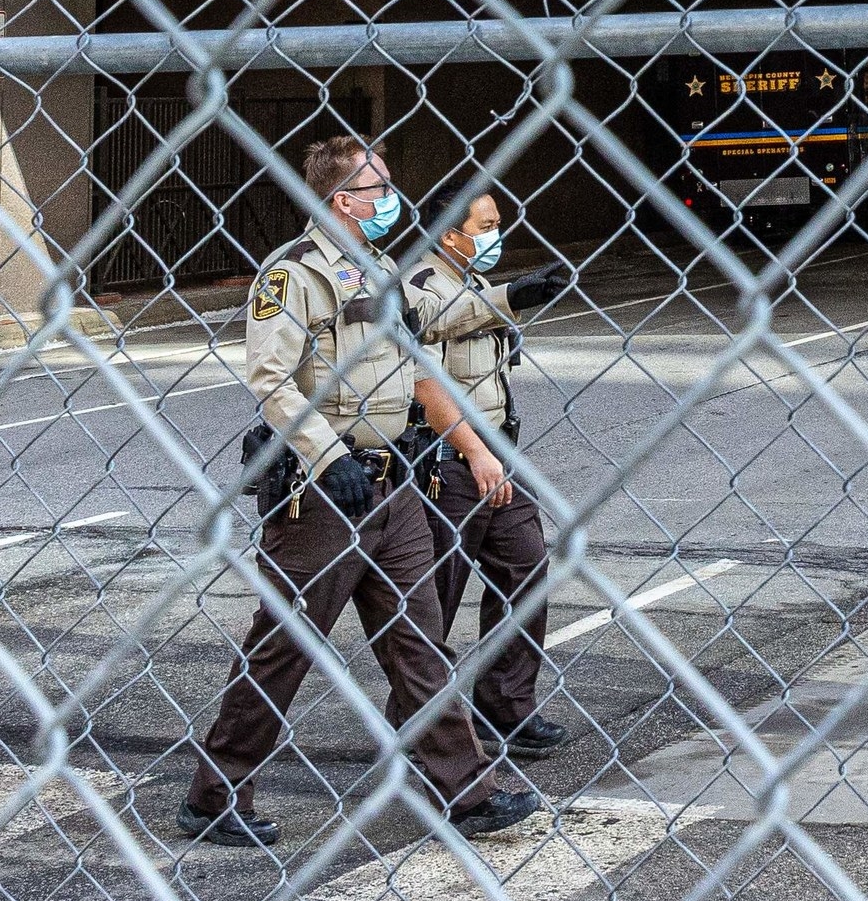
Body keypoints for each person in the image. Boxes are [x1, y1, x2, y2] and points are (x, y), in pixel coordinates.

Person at [178, 135, 544, 846]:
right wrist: (322, 455)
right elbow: (272, 381)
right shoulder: (293, 276)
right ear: (345, 200)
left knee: (417, 640)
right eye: (380, 189)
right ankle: (215, 797)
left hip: (394, 485)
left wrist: (505, 297)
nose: (392, 200)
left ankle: (467, 793)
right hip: (325, 494)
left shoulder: (379, 266)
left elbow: (430, 321)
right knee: (285, 645)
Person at [405, 193, 572, 758]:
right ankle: (417, 723)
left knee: (525, 569)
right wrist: (513, 295)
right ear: (452, 234)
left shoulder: (472, 281)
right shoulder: (419, 282)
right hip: (448, 459)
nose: (497, 233)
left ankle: (505, 707)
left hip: (496, 452)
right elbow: (427, 362)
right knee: (436, 596)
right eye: (488, 225)